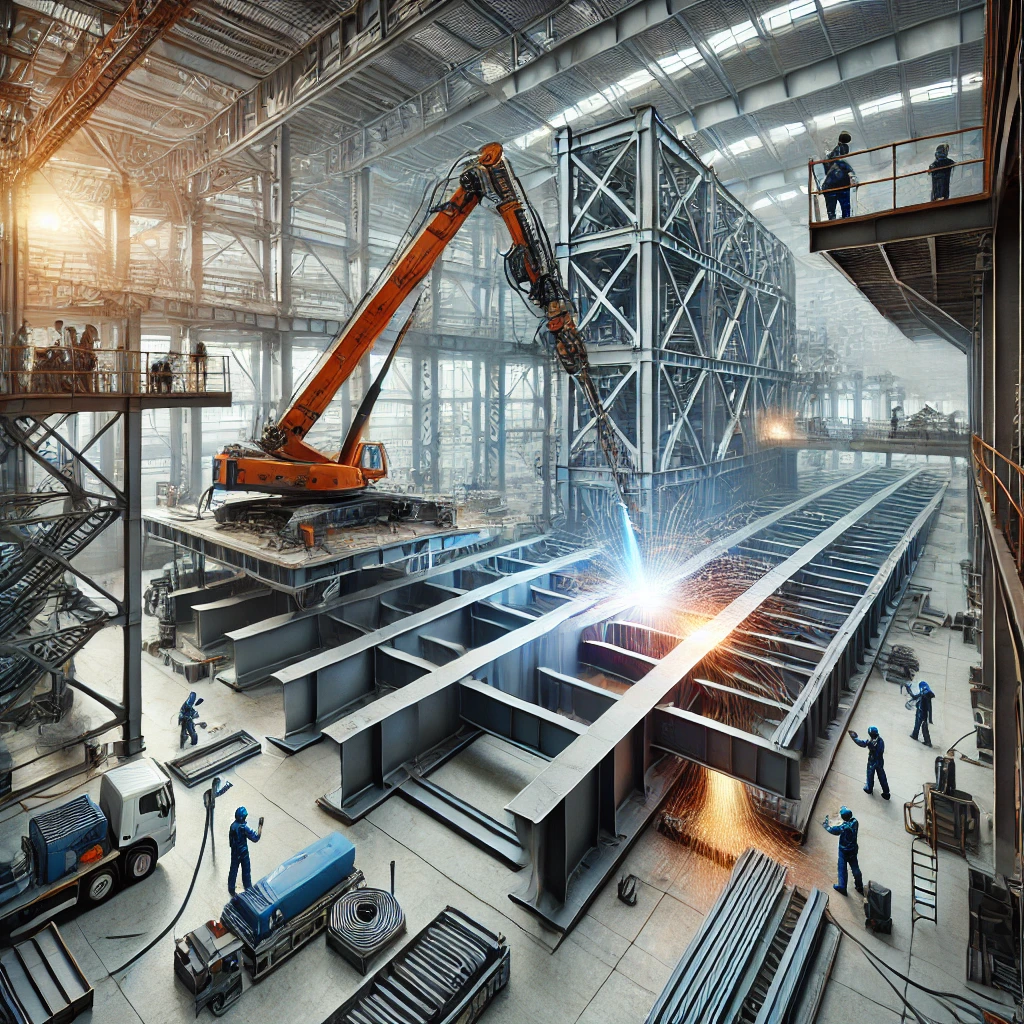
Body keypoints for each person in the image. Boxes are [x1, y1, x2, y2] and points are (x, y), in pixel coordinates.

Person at [823, 806, 863, 896]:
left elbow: (832, 830)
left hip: (844, 851)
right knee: (855, 867)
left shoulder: (843, 827)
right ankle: (859, 886)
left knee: (842, 868)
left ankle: (842, 887)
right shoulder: (855, 822)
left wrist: (825, 823)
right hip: (853, 849)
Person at [228, 806, 263, 896]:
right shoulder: (243, 828)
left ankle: (231, 888)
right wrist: (260, 826)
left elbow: (231, 841)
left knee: (233, 870)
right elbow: (255, 838)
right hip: (243, 852)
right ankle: (248, 890)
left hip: (235, 852)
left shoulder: (232, 826)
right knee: (246, 871)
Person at [821, 131, 856, 220]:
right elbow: (841, 163)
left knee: (833, 210)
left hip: (831, 186)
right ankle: (844, 219)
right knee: (844, 208)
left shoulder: (834, 154)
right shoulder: (841, 155)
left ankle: (835, 220)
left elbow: (827, 166)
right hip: (839, 186)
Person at [849, 726, 890, 799]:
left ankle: (869, 788)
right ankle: (886, 792)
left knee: (870, 774)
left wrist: (854, 737)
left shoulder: (870, 742)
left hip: (872, 760)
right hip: (880, 760)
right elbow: (881, 750)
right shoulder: (881, 741)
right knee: (882, 775)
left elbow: (861, 743)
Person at [909, 681, 934, 746]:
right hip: (923, 713)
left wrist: (908, 689)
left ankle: (915, 736)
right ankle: (926, 740)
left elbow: (915, 696)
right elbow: (930, 709)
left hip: (921, 712)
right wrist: (930, 719)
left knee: (919, 725)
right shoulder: (927, 696)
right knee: (923, 727)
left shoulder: (924, 696)